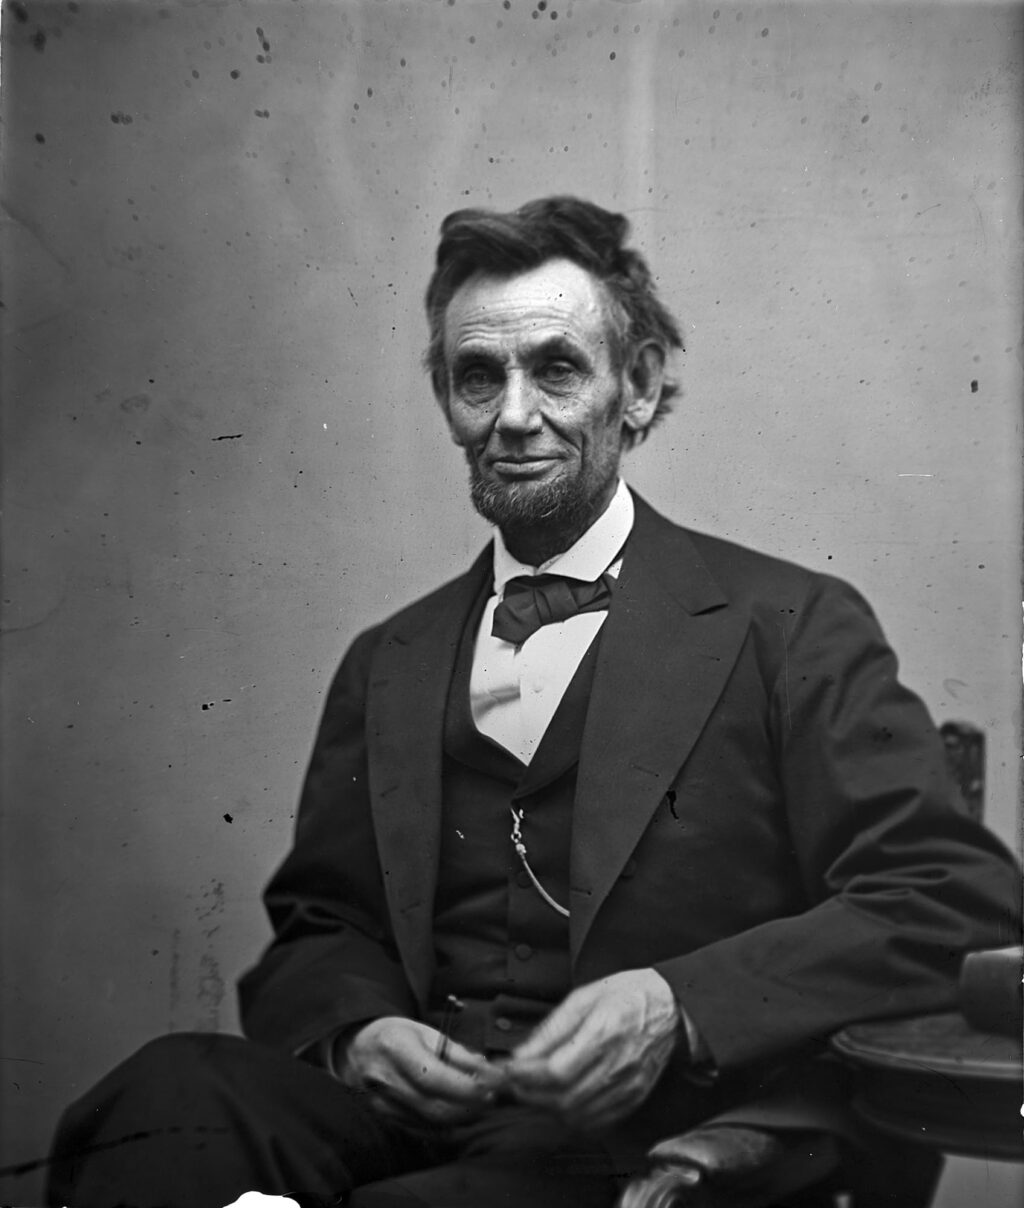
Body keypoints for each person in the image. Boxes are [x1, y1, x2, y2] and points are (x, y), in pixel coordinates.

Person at [48, 197, 1021, 1208]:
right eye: (479, 376)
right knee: (171, 1097)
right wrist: (357, 1033)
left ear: (637, 386)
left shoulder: (789, 624)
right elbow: (324, 919)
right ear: (447, 401)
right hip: (418, 1128)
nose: (514, 416)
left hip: (648, 1142)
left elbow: (949, 896)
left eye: (556, 368)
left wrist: (677, 1003)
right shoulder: (389, 658)